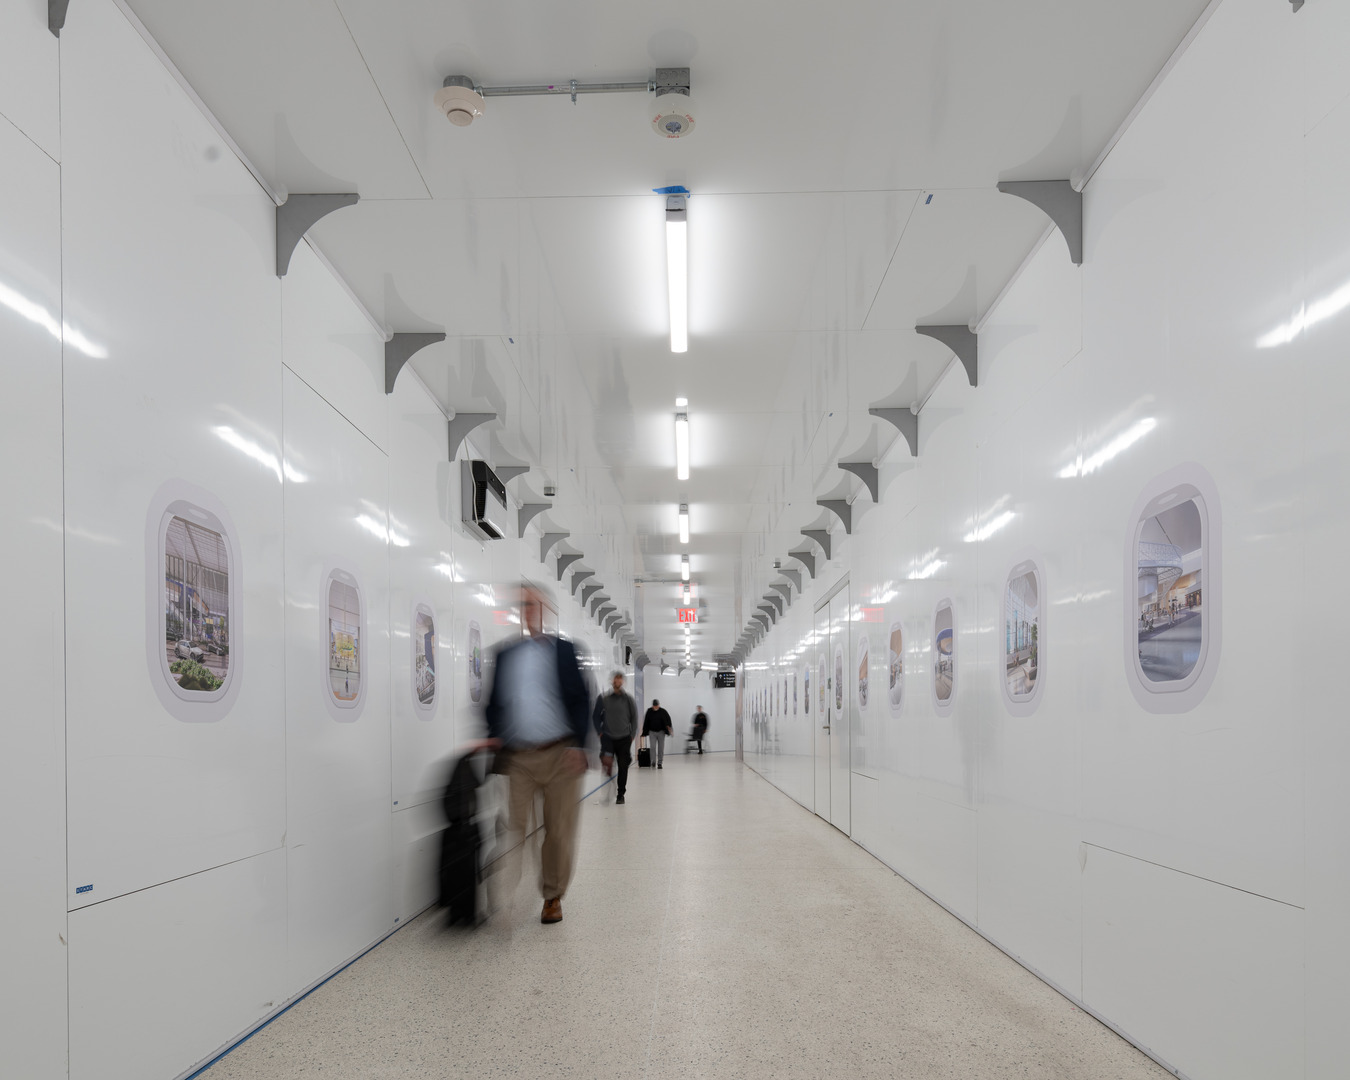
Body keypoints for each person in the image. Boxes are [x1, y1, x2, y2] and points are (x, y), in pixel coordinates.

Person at [483, 586, 592, 925]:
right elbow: (493, 705)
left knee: (557, 831)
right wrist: (491, 738)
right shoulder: (505, 654)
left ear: (544, 609)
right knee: (513, 827)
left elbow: (581, 699)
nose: (525, 610)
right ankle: (503, 896)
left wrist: (579, 746)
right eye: (521, 605)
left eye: (530, 604)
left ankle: (552, 896)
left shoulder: (564, 651)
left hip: (560, 755)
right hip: (518, 757)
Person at [593, 671, 638, 803]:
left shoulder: (628, 699)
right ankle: (608, 791)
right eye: (615, 679)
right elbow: (596, 716)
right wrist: (600, 732)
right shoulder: (603, 698)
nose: (617, 681)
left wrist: (632, 735)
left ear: (622, 681)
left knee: (623, 767)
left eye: (620, 679)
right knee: (607, 765)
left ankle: (620, 794)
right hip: (607, 738)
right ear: (612, 681)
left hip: (624, 739)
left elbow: (634, 718)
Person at [642, 698, 673, 769]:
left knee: (661, 748)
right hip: (652, 732)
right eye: (654, 706)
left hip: (661, 732)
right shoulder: (649, 711)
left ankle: (660, 762)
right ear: (652, 706)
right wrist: (644, 732)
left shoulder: (663, 711)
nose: (655, 707)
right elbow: (646, 721)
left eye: (657, 706)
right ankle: (653, 761)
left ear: (659, 705)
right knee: (652, 747)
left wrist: (669, 728)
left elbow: (668, 720)